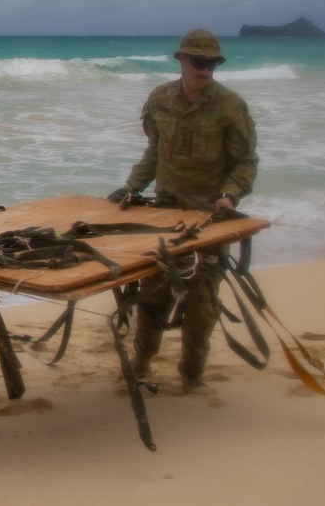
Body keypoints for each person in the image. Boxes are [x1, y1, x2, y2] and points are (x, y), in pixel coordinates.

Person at [108, 29, 258, 392]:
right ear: (182, 60)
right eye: (198, 62)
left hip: (209, 219)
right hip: (164, 214)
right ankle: (140, 368)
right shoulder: (159, 100)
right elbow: (155, 152)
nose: (205, 70)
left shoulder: (231, 106)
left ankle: (192, 378)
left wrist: (230, 194)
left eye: (212, 64)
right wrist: (132, 187)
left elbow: (246, 162)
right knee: (152, 296)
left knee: (202, 305)